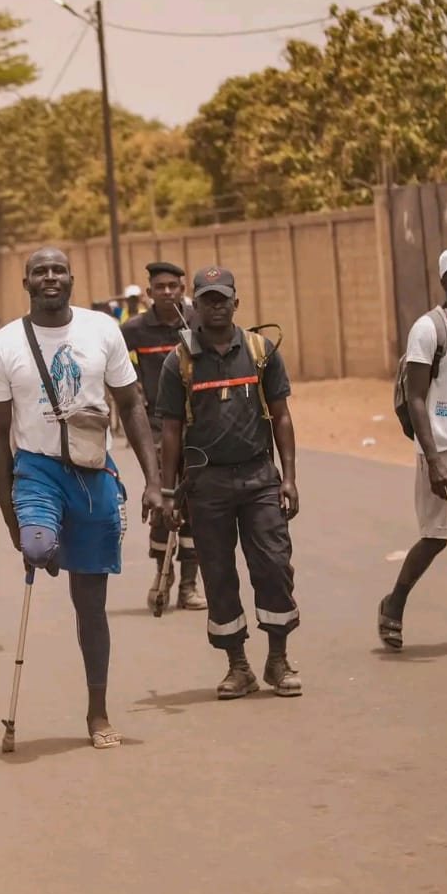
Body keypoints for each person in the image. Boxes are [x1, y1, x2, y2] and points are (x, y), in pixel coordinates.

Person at [0, 247, 164, 748]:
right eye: (41, 271)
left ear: (72, 279)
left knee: (91, 604)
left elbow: (131, 404)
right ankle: (48, 535)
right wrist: (9, 514)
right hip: (37, 471)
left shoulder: (102, 330)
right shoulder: (1, 345)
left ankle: (97, 713)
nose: (51, 277)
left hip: (94, 471)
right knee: (38, 549)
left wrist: (153, 479)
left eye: (58, 270)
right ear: (27, 283)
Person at [156, 267, 302, 699]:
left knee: (274, 566)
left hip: (260, 479)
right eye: (207, 299)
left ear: (236, 302)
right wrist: (169, 492)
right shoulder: (178, 361)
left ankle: (278, 660)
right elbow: (170, 431)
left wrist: (289, 477)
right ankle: (238, 666)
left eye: (223, 298)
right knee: (218, 574)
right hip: (207, 484)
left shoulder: (261, 351)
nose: (216, 306)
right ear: (194, 305)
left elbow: (282, 416)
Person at [122, 262, 206, 612]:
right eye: (161, 287)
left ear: (183, 288)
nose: (168, 292)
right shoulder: (134, 330)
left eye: (174, 286)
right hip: (157, 426)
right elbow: (116, 368)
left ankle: (189, 584)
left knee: (196, 507)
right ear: (149, 292)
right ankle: (162, 571)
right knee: (163, 501)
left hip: (200, 426)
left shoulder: (199, 322)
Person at [378, 250, 447, 650]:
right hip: (440, 444)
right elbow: (417, 397)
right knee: (436, 536)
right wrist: (434, 460)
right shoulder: (429, 329)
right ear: (445, 282)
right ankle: (394, 603)